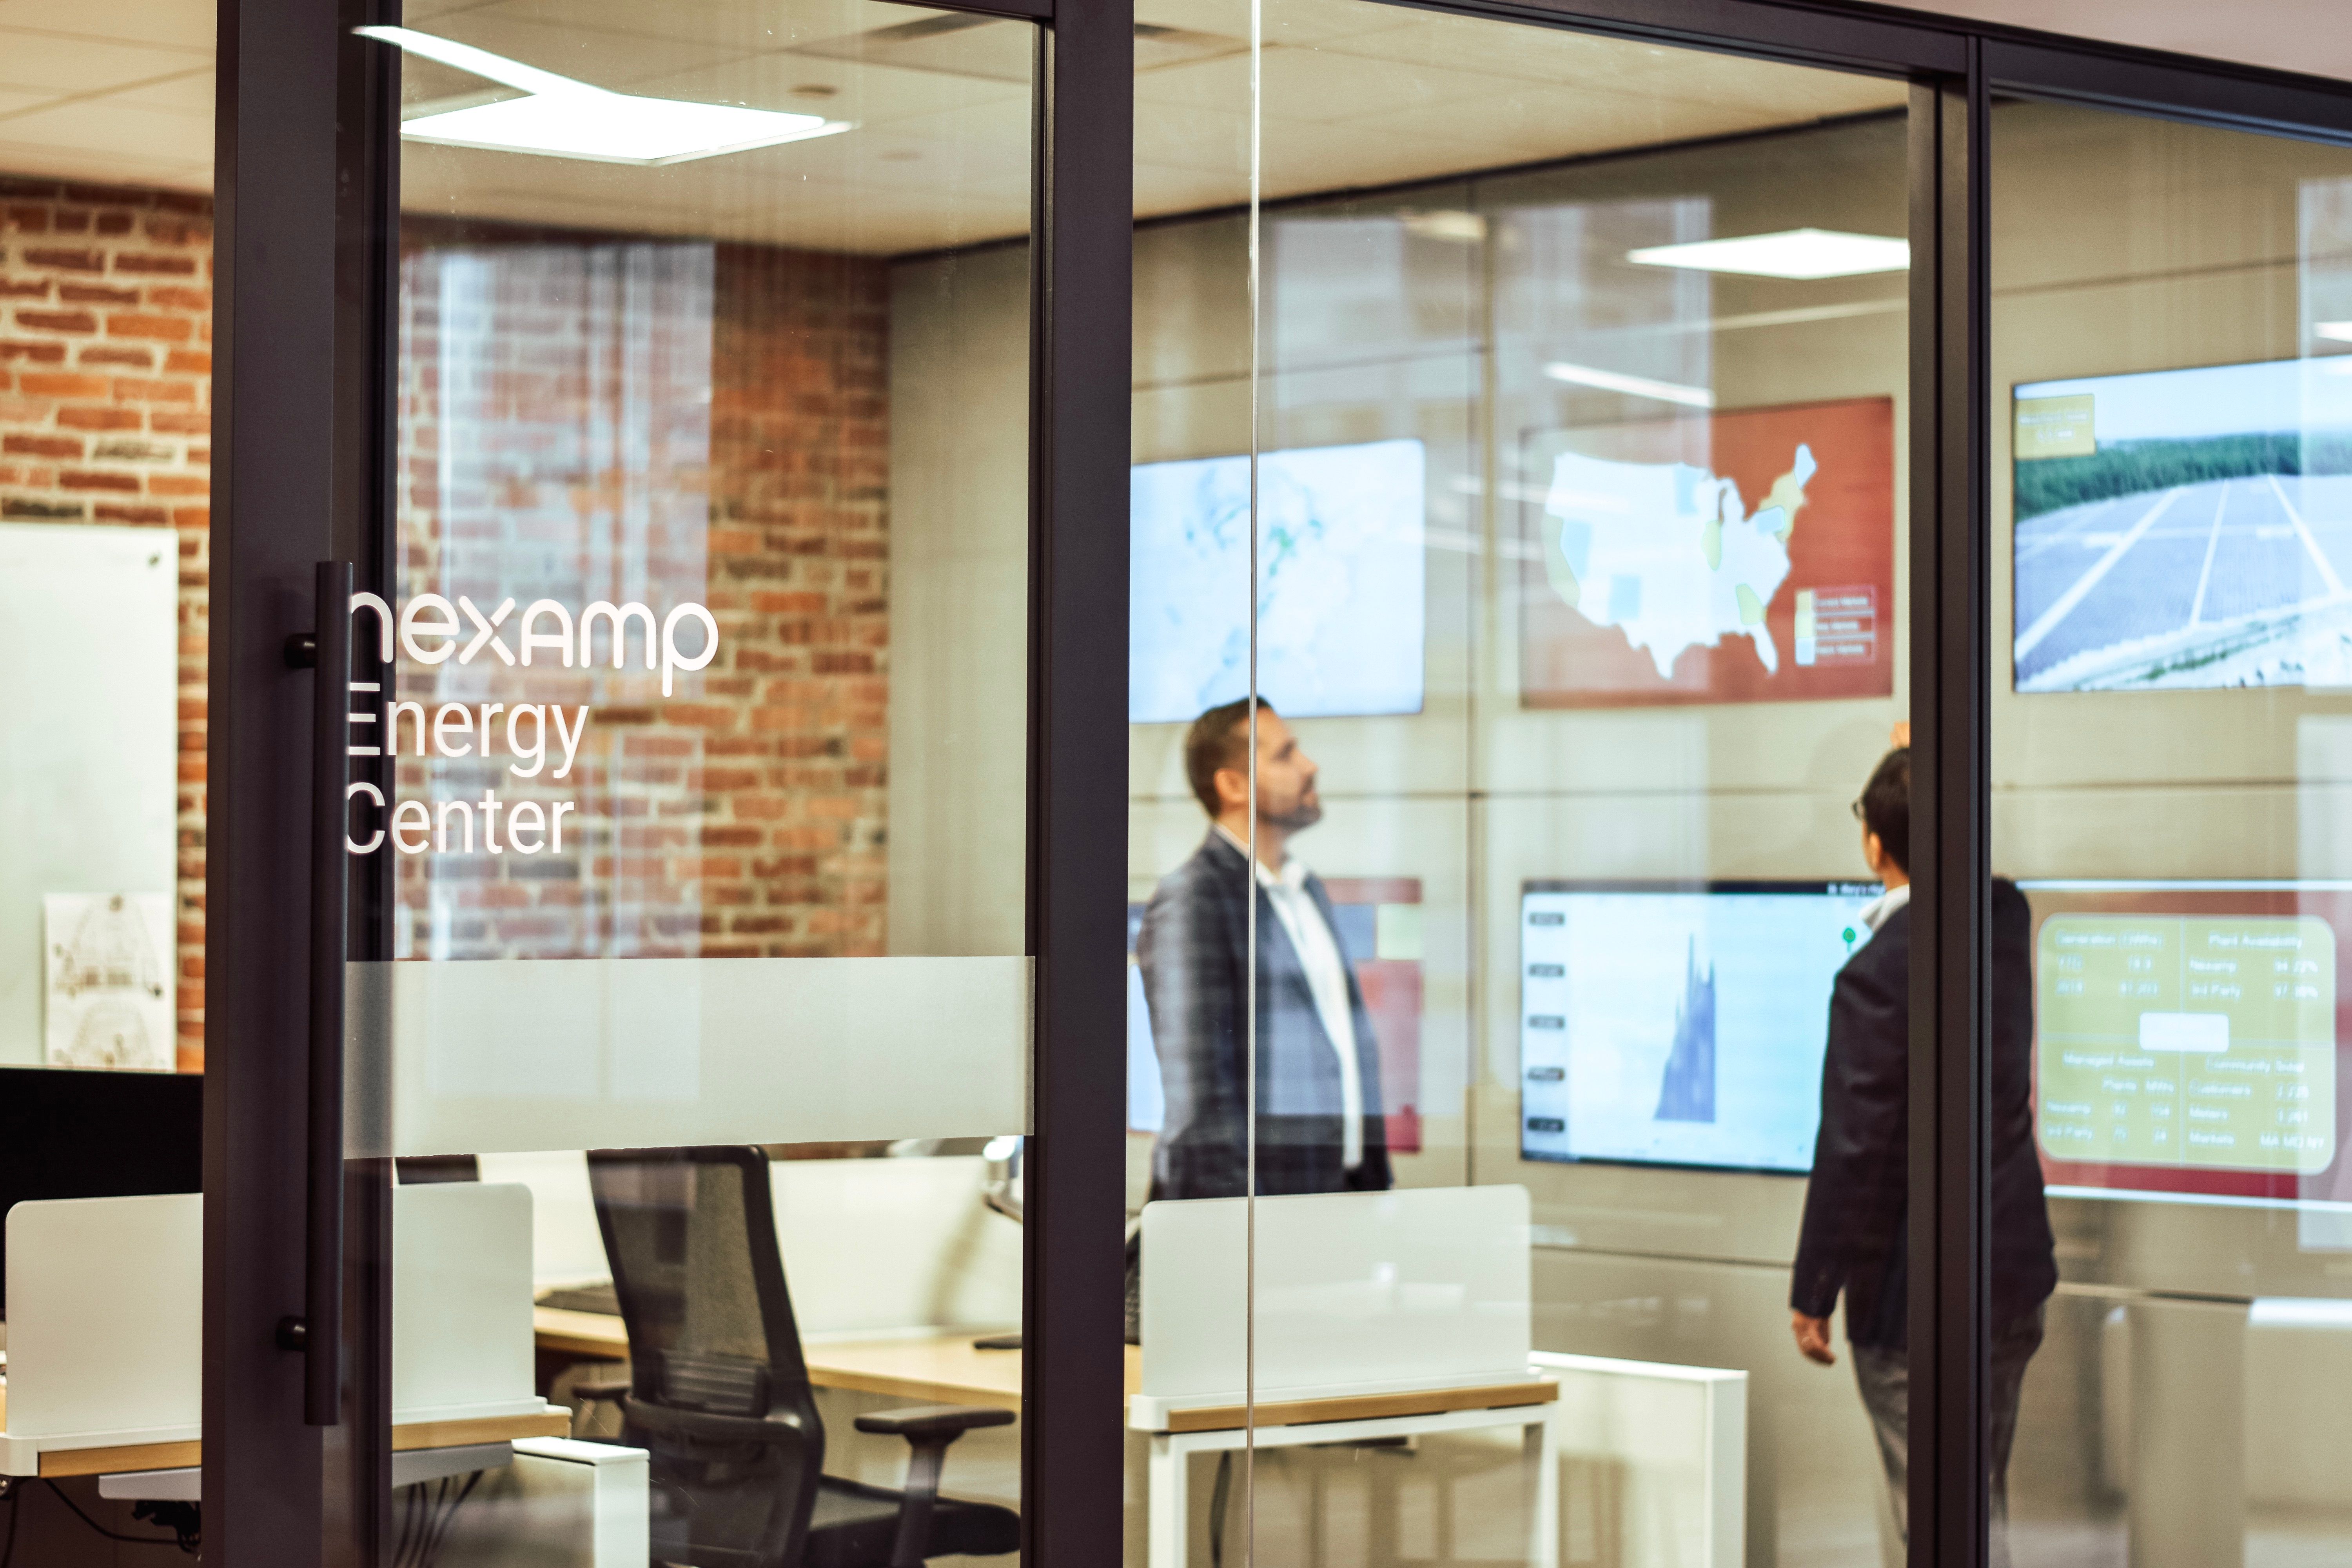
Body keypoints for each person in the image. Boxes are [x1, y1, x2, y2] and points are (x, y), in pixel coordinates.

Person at [1789, 744, 2056, 1561]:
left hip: (1916, 1304)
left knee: (1938, 1522)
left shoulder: (1877, 975)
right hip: (2012, 1277)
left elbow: (1857, 1150)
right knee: (1980, 1509)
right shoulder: (2002, 919)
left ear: (1875, 845)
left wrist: (1814, 1289)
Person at [1139, 698, 1391, 1200]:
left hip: (1334, 1197)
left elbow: (1344, 1055)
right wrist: (1248, 1233)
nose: (1310, 766)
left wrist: (1373, 1190)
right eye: (1286, 755)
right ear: (1233, 786)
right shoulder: (1194, 899)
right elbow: (1202, 1106)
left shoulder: (1306, 889)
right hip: (1258, 1218)